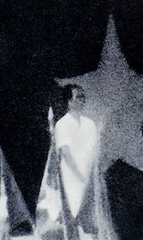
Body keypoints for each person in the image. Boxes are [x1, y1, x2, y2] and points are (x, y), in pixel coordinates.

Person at [54, 84, 99, 238]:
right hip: (71, 177)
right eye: (78, 97)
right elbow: (65, 153)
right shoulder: (62, 124)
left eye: (83, 96)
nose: (82, 100)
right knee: (73, 214)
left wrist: (90, 175)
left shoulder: (90, 124)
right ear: (69, 101)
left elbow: (94, 151)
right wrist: (80, 176)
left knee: (91, 216)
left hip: (90, 176)